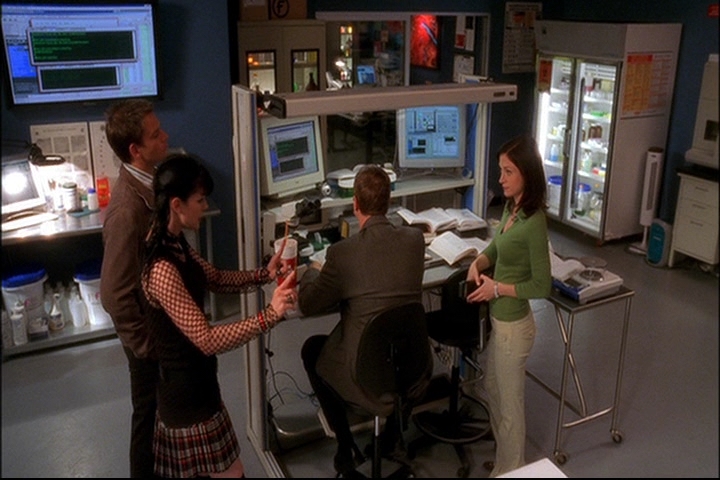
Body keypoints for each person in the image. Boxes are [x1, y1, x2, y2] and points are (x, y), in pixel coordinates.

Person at [141, 153, 297, 478]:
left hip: (200, 388)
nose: (205, 205)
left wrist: (264, 274)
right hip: (186, 400)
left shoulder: (174, 241)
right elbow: (207, 339)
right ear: (177, 204)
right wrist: (270, 314)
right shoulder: (162, 269)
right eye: (199, 200)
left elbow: (214, 277)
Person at [297, 165, 431, 477]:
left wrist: (312, 271)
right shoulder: (415, 240)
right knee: (393, 338)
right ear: (389, 201)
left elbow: (309, 303)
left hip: (365, 371)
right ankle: (391, 438)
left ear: (355, 204)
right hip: (411, 365)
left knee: (311, 349)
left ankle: (345, 448)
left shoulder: (342, 254)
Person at [465, 135, 552, 477]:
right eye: (500, 170)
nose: (500, 179)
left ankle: (512, 469)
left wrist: (497, 289)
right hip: (500, 324)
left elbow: (542, 285)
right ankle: (505, 462)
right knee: (494, 391)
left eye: (508, 172)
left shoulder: (534, 222)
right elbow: (498, 247)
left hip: (515, 329)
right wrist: (479, 261)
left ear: (526, 174)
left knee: (510, 407)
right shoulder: (510, 208)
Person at [100, 98, 169, 477]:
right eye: (155, 135)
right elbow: (113, 295)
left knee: (160, 411)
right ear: (135, 150)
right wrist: (146, 347)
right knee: (148, 413)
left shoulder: (150, 182)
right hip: (146, 338)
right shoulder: (127, 211)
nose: (165, 136)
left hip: (158, 325)